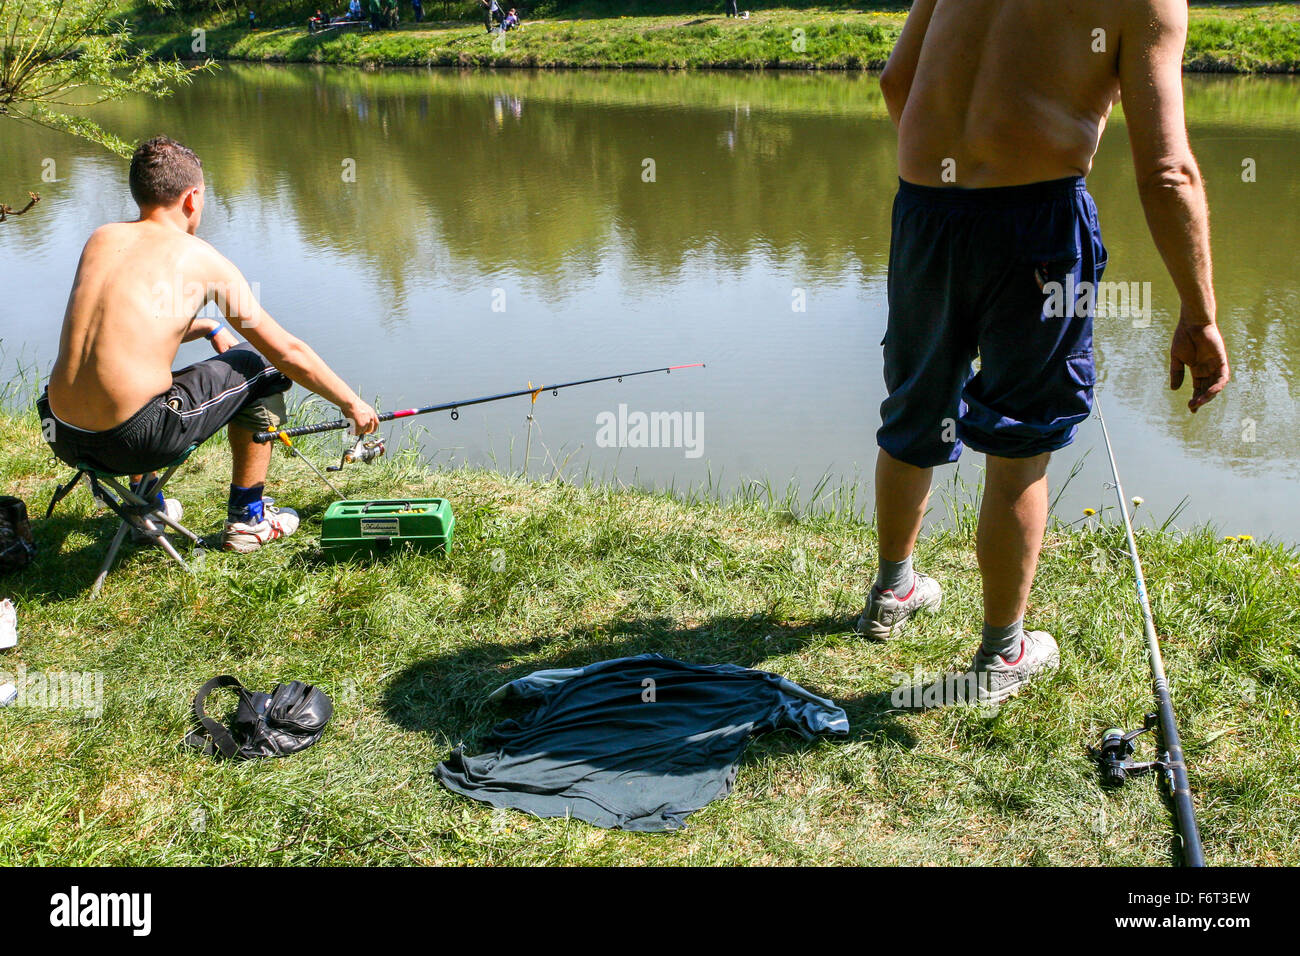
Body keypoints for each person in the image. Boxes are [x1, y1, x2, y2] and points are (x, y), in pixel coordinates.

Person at [861, 0, 1230, 704]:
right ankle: (1002, 654)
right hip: (1035, 224)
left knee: (916, 403)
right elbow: (1168, 172)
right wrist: (1200, 311)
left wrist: (957, 177)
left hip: (926, 209)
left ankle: (892, 588)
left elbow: (895, 83)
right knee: (1021, 437)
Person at [37, 137, 379, 554]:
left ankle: (147, 505)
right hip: (133, 441)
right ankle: (248, 519)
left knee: (146, 379)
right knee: (258, 367)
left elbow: (122, 330)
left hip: (63, 433)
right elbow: (285, 353)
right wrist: (350, 403)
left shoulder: (102, 239)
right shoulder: (201, 258)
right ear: (192, 197)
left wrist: (205, 327)